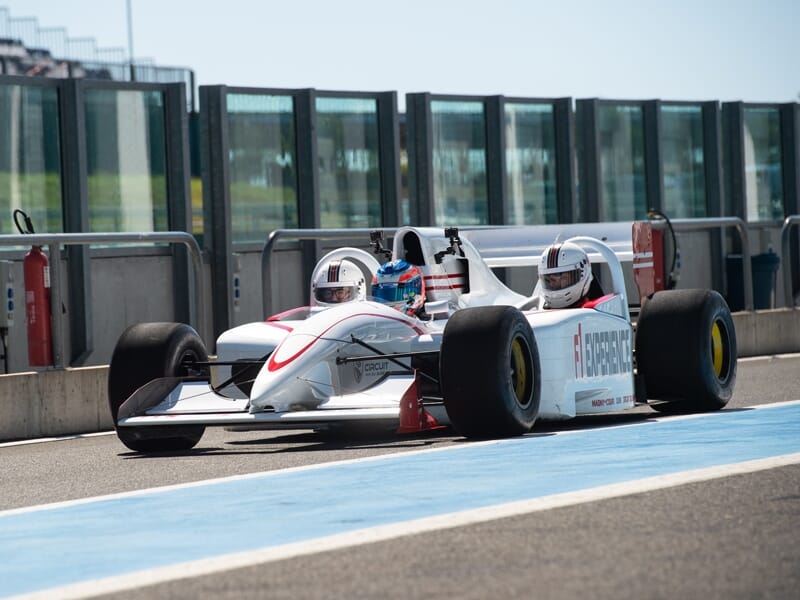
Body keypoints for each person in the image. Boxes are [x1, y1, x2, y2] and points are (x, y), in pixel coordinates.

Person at [538, 241, 595, 309]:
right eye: (548, 280)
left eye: (561, 277)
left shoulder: (597, 314)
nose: (553, 285)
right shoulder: (533, 308)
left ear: (582, 273)